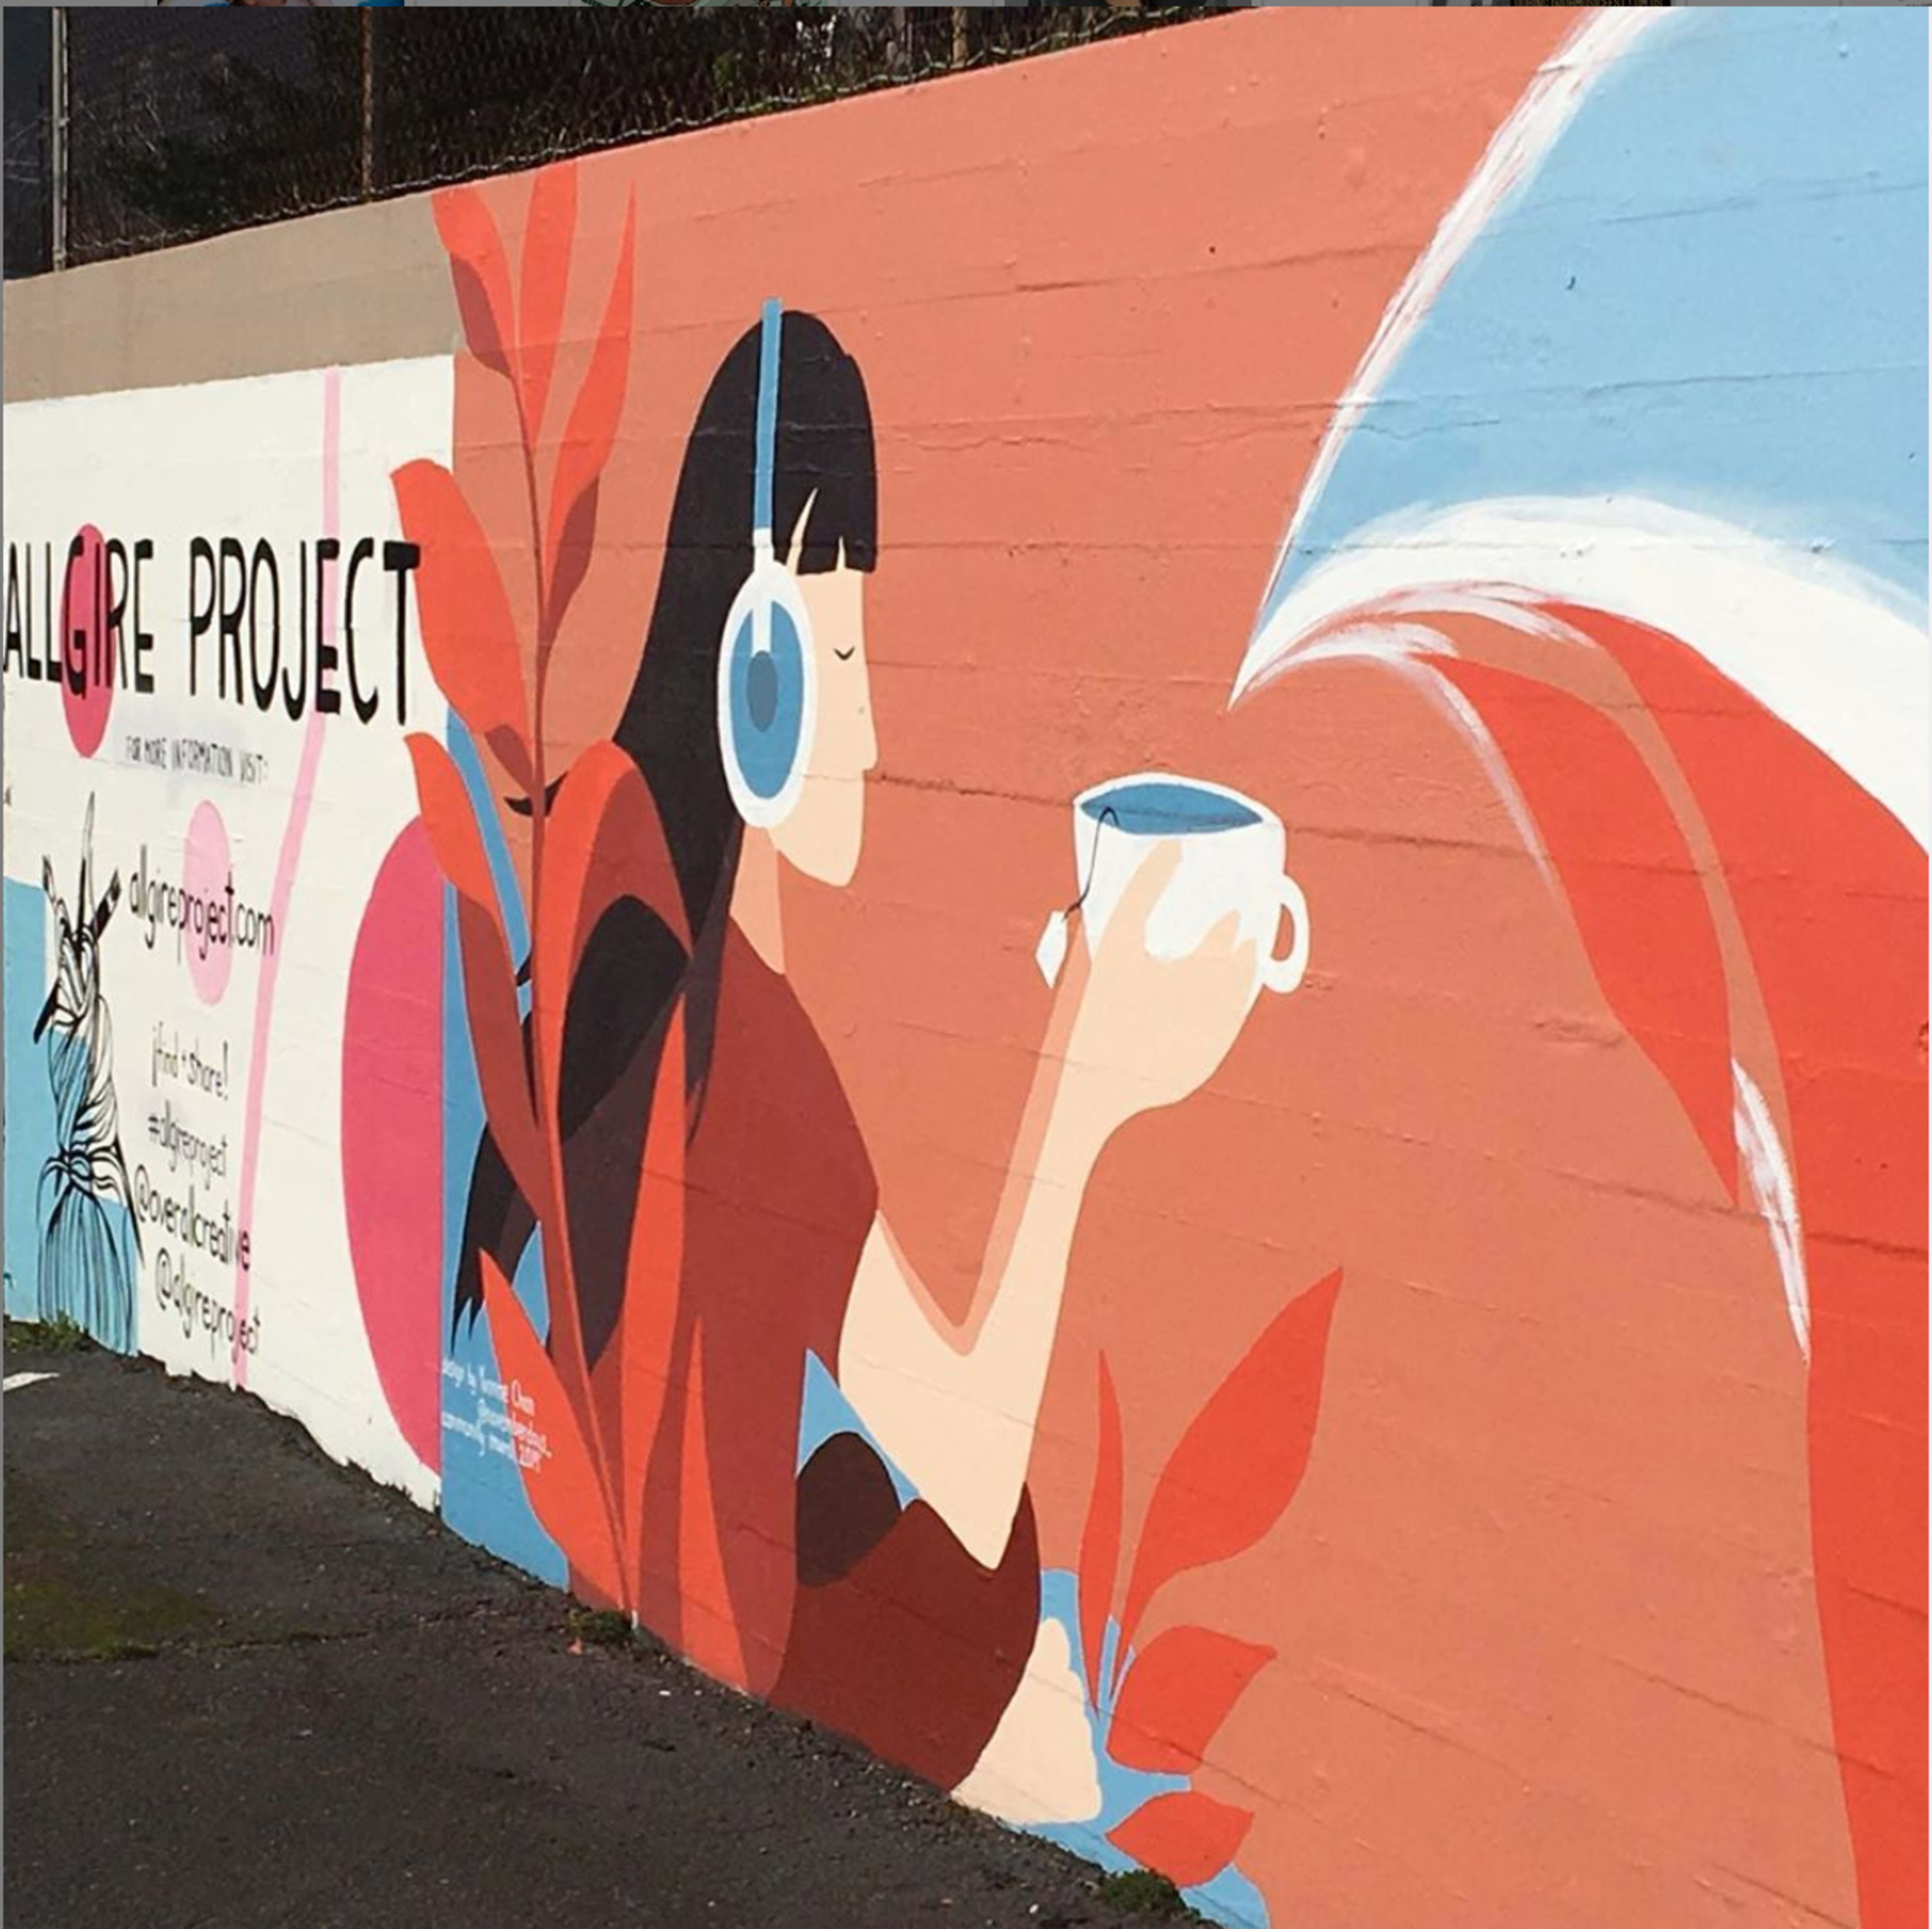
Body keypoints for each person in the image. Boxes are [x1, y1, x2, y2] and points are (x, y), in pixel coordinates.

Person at [454, 308, 1265, 1793]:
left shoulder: (610, 856)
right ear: (754, 671)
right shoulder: (747, 1048)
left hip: (635, 1548)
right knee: (1000, 1556)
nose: (879, 728)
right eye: (839, 647)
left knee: (837, 1491)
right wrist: (1087, 1073)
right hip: (749, 1653)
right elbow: (964, 1455)